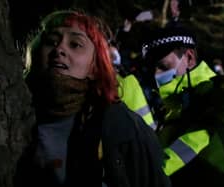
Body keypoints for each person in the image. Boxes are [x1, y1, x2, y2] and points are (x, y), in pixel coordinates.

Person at [14, 9, 171, 187]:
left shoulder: (122, 126)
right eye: (51, 41)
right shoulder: (10, 111)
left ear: (94, 67)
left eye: (75, 44)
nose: (59, 49)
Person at [141, 25, 224, 186]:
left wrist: (143, 175)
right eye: (151, 68)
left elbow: (196, 143)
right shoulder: (170, 110)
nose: (156, 75)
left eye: (163, 66)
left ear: (189, 57)